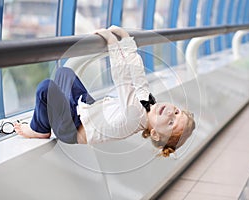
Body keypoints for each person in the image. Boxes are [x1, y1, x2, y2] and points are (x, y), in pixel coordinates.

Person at [14, 26, 195, 157]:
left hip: (71, 128)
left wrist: (111, 43)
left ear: (155, 133)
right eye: (177, 112)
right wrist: (126, 40)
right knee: (65, 73)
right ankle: (48, 116)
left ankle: (39, 129)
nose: (171, 112)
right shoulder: (149, 103)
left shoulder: (135, 117)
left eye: (171, 122)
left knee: (46, 88)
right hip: (89, 111)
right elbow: (137, 73)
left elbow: (122, 79)